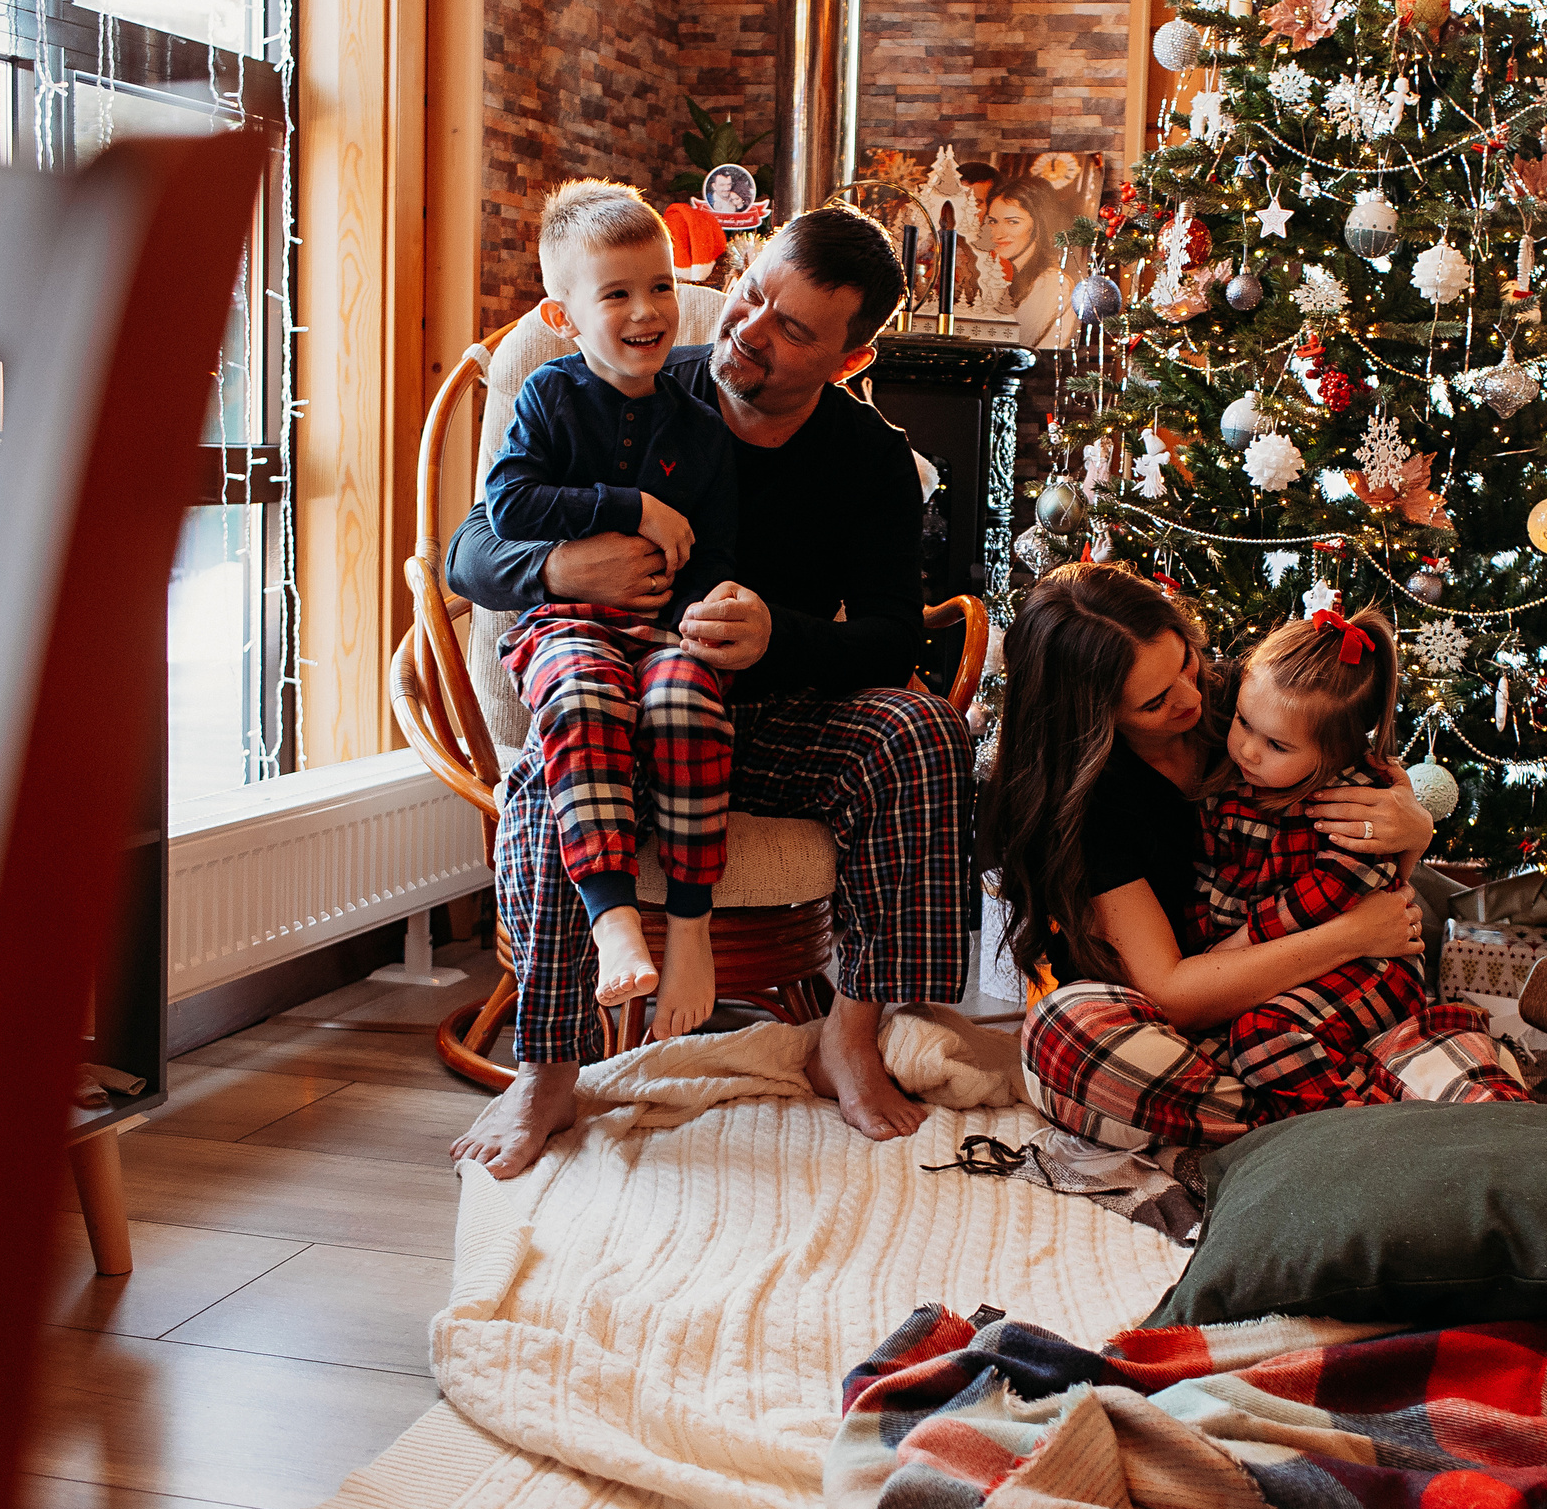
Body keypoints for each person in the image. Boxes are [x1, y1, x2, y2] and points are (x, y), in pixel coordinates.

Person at [449, 205, 971, 1175]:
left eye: (792, 329)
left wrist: (782, 637)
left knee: (924, 731)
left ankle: (847, 1041)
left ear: (848, 362)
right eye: (750, 293)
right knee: (539, 779)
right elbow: (469, 553)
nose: (746, 329)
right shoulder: (636, 386)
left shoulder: (870, 461)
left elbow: (897, 638)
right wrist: (569, 572)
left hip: (770, 722)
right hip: (625, 718)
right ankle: (549, 1071)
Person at [983, 564, 1477, 1150]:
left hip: (1317, 998)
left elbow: (1375, 837)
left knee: (1411, 1048)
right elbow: (1170, 995)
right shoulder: (1088, 804)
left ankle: (1308, 1115)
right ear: (1092, 718)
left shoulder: (1247, 704)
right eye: (1155, 701)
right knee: (1064, 1034)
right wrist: (1352, 935)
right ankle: (1324, 1123)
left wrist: (1413, 827)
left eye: (1187, 661)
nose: (1194, 698)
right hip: (1191, 1022)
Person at [483, 180, 735, 1045]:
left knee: (687, 699)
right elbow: (509, 509)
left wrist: (718, 606)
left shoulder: (699, 421)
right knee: (585, 689)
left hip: (664, 633)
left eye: (660, 286)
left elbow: (716, 547)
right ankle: (613, 915)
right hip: (568, 629)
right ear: (564, 316)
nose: (647, 310)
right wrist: (629, 509)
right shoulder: (549, 396)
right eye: (617, 293)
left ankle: (692, 929)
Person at [1190, 604, 1521, 1118]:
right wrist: (1206, 953)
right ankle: (1356, 1083)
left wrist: (1238, 945)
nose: (1248, 751)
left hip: (1369, 963)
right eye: (1243, 722)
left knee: (1261, 1035)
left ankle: (1358, 1129)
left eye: (1277, 744)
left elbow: (1329, 892)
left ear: (1338, 752)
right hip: (1278, 966)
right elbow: (1209, 876)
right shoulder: (1235, 781)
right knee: (1217, 1047)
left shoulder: (1355, 799)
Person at [981, 175, 1081, 349]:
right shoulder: (999, 275)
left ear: (1038, 225)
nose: (997, 234)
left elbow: (1016, 343)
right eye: (992, 222)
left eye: (1012, 222)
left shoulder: (1052, 282)